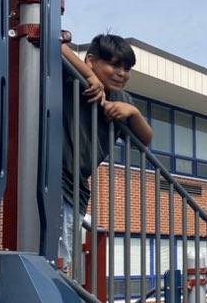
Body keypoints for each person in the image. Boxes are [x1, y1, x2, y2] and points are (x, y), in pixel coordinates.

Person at [60, 36, 153, 276]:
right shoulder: (73, 77)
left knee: (59, 264)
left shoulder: (121, 100)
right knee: (51, 262)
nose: (121, 73)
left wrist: (133, 113)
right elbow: (54, 43)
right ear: (91, 60)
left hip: (76, 191)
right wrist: (89, 77)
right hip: (54, 180)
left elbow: (146, 139)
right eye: (114, 65)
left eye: (127, 69)